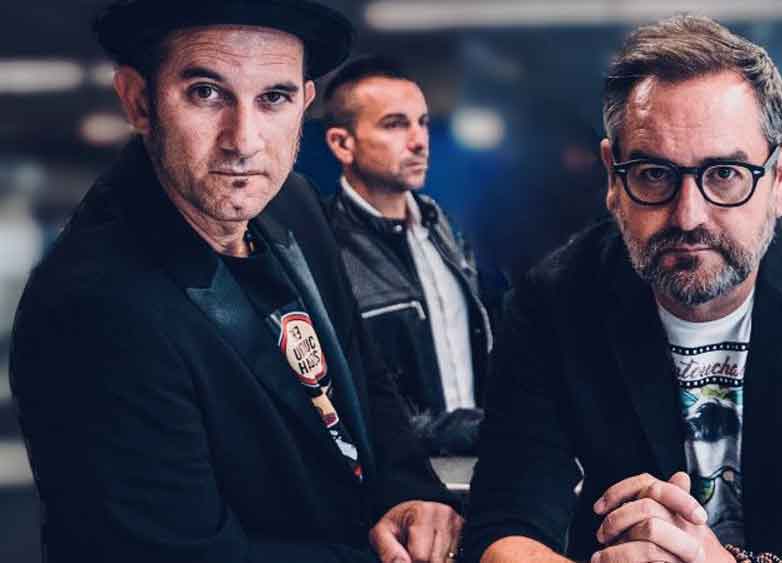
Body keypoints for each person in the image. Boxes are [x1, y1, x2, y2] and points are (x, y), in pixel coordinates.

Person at [461, 15, 782, 563]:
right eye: (653, 174)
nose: (689, 216)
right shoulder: (552, 303)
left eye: (725, 174)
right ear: (613, 177)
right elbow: (504, 525)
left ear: (780, 177)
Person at [9, 2, 463, 561]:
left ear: (305, 104)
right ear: (139, 101)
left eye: (274, 98)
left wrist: (411, 491)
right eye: (206, 93)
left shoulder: (292, 203)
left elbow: (361, 369)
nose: (243, 140)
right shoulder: (93, 307)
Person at [321, 56, 492, 455]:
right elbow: (342, 403)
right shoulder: (323, 250)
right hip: (393, 474)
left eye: (423, 122)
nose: (419, 141)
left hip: (471, 465)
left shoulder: (442, 228)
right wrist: (460, 433)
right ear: (343, 144)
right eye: (395, 124)